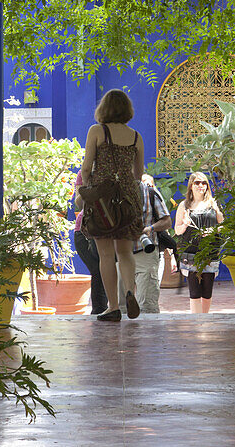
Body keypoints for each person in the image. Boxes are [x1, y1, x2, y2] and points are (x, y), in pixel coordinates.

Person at [78, 89, 145, 322]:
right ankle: (130, 291)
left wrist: (89, 188)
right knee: (125, 252)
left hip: (102, 200)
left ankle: (113, 307)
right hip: (127, 199)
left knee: (106, 255)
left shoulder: (97, 131)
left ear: (103, 108)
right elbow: (139, 173)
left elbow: (86, 167)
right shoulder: (136, 136)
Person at [117, 174, 171, 314]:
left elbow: (167, 221)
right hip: (121, 253)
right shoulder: (114, 193)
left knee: (148, 306)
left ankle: (149, 336)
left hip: (145, 252)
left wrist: (150, 228)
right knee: (120, 307)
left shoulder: (150, 192)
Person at [174, 171, 224, 313]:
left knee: (207, 291)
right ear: (191, 185)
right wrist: (185, 224)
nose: (200, 185)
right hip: (191, 253)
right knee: (194, 292)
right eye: (197, 182)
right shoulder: (184, 206)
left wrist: (213, 231)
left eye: (204, 183)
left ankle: (205, 321)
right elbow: (177, 230)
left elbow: (223, 225)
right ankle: (196, 322)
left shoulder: (213, 204)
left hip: (210, 252)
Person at [73, 170, 108, 315]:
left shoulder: (113, 171)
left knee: (107, 268)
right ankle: (100, 310)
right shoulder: (84, 173)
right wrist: (89, 189)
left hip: (109, 228)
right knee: (97, 270)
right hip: (84, 230)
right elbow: (79, 204)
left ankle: (107, 308)